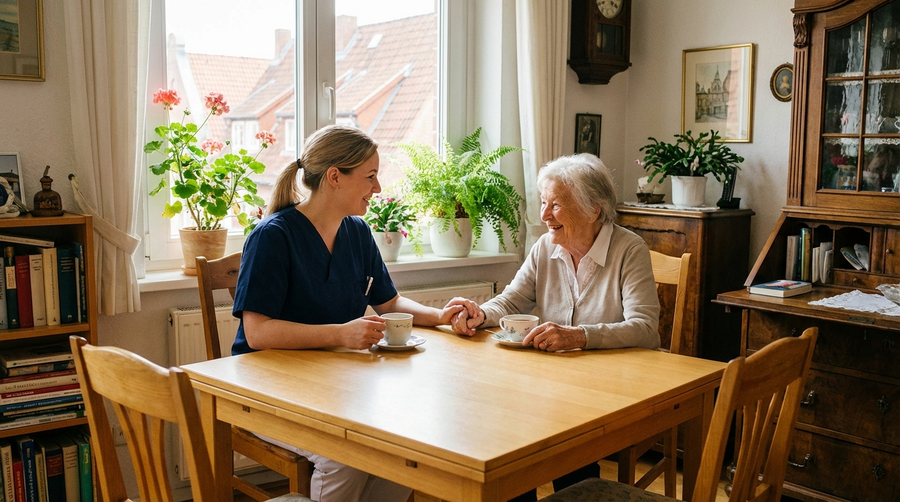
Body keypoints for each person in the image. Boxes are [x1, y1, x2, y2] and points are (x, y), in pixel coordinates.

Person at [232, 124, 466, 502]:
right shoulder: (272, 237)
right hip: (267, 390)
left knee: (406, 445)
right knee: (343, 459)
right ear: (335, 177)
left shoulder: (357, 232)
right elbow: (258, 333)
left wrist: (440, 316)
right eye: (370, 176)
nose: (377, 188)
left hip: (334, 386)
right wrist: (340, 334)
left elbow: (390, 304)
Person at [447, 153, 660, 501]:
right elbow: (512, 300)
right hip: (553, 386)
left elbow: (645, 328)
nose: (544, 215)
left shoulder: (629, 249)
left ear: (594, 209)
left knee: (550, 441)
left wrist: (579, 336)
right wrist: (479, 314)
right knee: (509, 444)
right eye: (544, 203)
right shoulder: (545, 246)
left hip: (611, 388)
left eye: (556, 205)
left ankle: (578, 488)